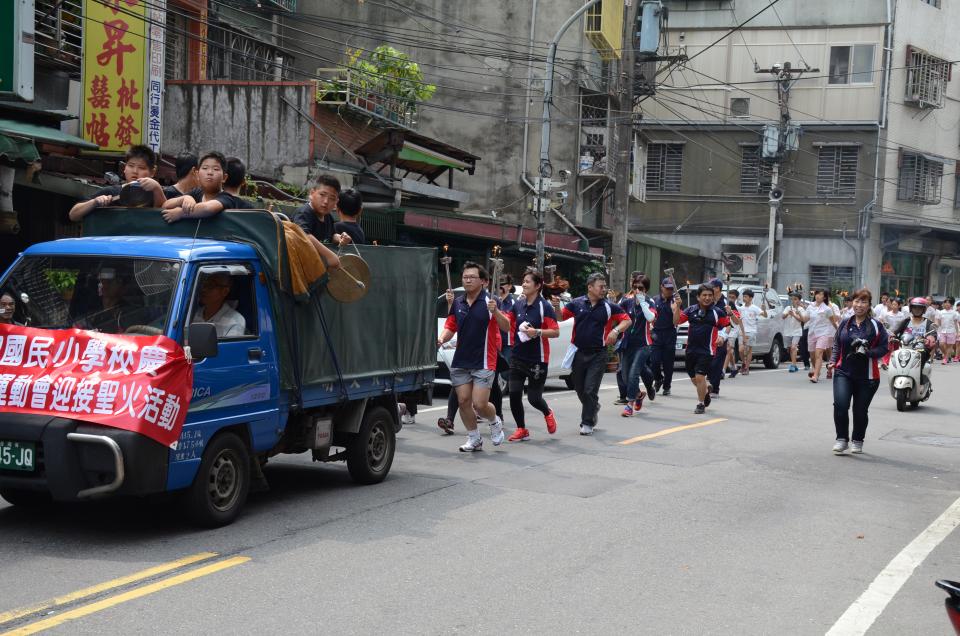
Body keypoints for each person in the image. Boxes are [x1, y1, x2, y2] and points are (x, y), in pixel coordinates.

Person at [437, 262, 507, 452]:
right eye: (465, 277)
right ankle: (474, 439)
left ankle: (494, 421)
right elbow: (451, 326)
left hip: (484, 360)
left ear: (484, 281)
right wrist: (441, 339)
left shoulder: (491, 301)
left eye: (472, 277)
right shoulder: (458, 302)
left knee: (480, 404)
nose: (467, 280)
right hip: (462, 359)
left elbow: (507, 326)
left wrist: (496, 312)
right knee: (463, 401)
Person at [554, 273, 631, 435]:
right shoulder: (576, 303)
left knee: (590, 390)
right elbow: (560, 317)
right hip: (578, 352)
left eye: (605, 286)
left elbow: (627, 320)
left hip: (599, 354)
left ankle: (587, 422)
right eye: (600, 286)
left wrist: (616, 331)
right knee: (579, 388)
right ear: (590, 287)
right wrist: (555, 307)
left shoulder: (609, 306)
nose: (603, 289)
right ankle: (593, 407)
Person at [828, 288, 889, 455]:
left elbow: (885, 347)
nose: (859, 305)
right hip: (843, 372)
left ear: (869, 305)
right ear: (852, 303)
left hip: (867, 376)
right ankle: (841, 439)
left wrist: (868, 352)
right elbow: (837, 344)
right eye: (856, 301)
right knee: (840, 405)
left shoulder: (877, 326)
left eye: (863, 302)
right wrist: (833, 360)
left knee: (860, 410)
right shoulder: (845, 323)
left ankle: (857, 440)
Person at [504, 270, 560, 441]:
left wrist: (538, 332)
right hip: (518, 356)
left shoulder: (545, 307)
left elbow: (555, 332)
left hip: (538, 358)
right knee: (514, 395)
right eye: (524, 280)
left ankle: (547, 412)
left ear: (537, 286)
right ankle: (522, 429)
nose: (525, 284)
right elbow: (507, 323)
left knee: (534, 398)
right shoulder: (518, 304)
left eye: (528, 281)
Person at [69, 144, 166, 221]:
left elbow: (164, 213)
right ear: (124, 168)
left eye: (141, 168)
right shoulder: (111, 192)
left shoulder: (157, 193)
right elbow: (73, 215)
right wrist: (94, 202)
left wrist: (157, 188)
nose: (135, 171)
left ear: (152, 172)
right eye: (131, 166)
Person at [673, 284, 730, 414]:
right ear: (698, 297)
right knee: (694, 378)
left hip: (707, 350)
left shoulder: (717, 312)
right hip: (691, 350)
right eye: (704, 295)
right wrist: (677, 307)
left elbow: (727, 325)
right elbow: (676, 321)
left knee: (700, 377)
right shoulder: (690, 310)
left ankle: (700, 404)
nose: (707, 298)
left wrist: (722, 337)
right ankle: (705, 393)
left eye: (710, 295)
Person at [161, 151, 247, 222]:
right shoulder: (196, 192)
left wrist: (180, 213)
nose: (209, 172)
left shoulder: (227, 198)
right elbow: (165, 205)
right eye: (205, 168)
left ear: (224, 178)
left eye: (216, 169)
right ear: (197, 175)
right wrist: (184, 198)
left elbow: (207, 208)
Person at [619, 274, 657, 417]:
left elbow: (651, 318)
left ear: (646, 289)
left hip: (643, 344)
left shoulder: (650, 302)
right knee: (625, 376)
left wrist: (642, 303)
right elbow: (615, 311)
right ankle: (639, 394)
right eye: (634, 287)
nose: (637, 290)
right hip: (628, 343)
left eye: (640, 288)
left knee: (634, 372)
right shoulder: (627, 302)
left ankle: (629, 404)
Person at [290, 175, 345, 270]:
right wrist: (330, 256)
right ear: (312, 193)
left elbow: (330, 235)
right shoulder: (303, 213)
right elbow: (303, 235)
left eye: (332, 198)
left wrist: (338, 238)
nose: (326, 201)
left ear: (336, 202)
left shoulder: (328, 217)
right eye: (322, 195)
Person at [707, 278, 737, 397]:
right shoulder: (707, 300)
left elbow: (737, 321)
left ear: (717, 288)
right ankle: (708, 383)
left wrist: (731, 313)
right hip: (708, 335)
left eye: (711, 287)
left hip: (721, 335)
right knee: (707, 362)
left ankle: (715, 389)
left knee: (717, 363)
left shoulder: (728, 303)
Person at [192, 272, 246, 338]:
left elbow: (230, 348)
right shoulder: (193, 314)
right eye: (204, 285)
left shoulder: (235, 320)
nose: (204, 289)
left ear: (225, 291)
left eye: (210, 285)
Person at [650, 278, 679, 396]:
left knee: (668, 363)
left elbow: (676, 322)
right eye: (667, 288)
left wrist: (676, 309)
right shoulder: (654, 300)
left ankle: (667, 386)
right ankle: (658, 379)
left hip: (670, 334)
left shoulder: (675, 301)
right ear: (662, 287)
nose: (669, 291)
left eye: (671, 289)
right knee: (654, 361)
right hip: (656, 334)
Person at [893, 297, 938, 371]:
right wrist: (892, 336)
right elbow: (896, 331)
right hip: (905, 348)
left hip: (920, 349)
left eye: (919, 308)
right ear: (911, 308)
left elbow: (933, 333)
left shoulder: (928, 323)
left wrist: (930, 338)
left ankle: (921, 379)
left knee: (922, 356)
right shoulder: (906, 321)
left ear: (923, 309)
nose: (917, 310)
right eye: (915, 308)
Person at [803, 289, 838, 383]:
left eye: (820, 295)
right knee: (813, 356)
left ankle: (815, 376)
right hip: (812, 333)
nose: (818, 296)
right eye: (817, 294)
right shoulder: (810, 306)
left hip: (823, 333)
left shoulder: (827, 309)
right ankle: (816, 371)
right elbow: (804, 319)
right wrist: (798, 312)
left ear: (824, 297)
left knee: (819, 353)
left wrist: (839, 331)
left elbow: (833, 322)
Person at [737, 289, 766, 375]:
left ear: (750, 298)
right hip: (742, 332)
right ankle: (744, 363)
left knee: (749, 350)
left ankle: (746, 368)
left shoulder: (755, 308)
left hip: (751, 332)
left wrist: (764, 310)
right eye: (743, 296)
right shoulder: (741, 308)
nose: (744, 298)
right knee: (741, 350)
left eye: (745, 297)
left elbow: (765, 315)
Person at [782, 291, 805, 372]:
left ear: (799, 300)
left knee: (793, 347)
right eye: (792, 299)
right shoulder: (788, 308)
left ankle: (793, 365)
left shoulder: (801, 309)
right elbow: (783, 317)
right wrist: (788, 313)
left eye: (795, 299)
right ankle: (794, 364)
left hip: (797, 331)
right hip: (787, 331)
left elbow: (802, 320)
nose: (793, 301)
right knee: (790, 349)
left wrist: (795, 315)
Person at [724, 289, 742, 378]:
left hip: (733, 330)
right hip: (724, 329)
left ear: (736, 298)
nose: (731, 299)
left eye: (733, 297)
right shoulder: (724, 305)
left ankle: (722, 370)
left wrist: (743, 334)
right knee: (729, 351)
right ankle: (734, 367)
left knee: (728, 349)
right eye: (729, 297)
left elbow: (738, 322)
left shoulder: (738, 308)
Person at [936, 297, 958, 364]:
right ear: (944, 304)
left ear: (951, 304)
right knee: (941, 344)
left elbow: (955, 323)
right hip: (942, 331)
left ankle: (945, 359)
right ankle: (946, 355)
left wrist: (958, 332)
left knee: (949, 346)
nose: (947, 304)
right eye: (945, 302)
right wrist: (937, 328)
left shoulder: (954, 313)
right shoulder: (941, 312)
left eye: (948, 303)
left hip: (951, 331)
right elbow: (938, 322)